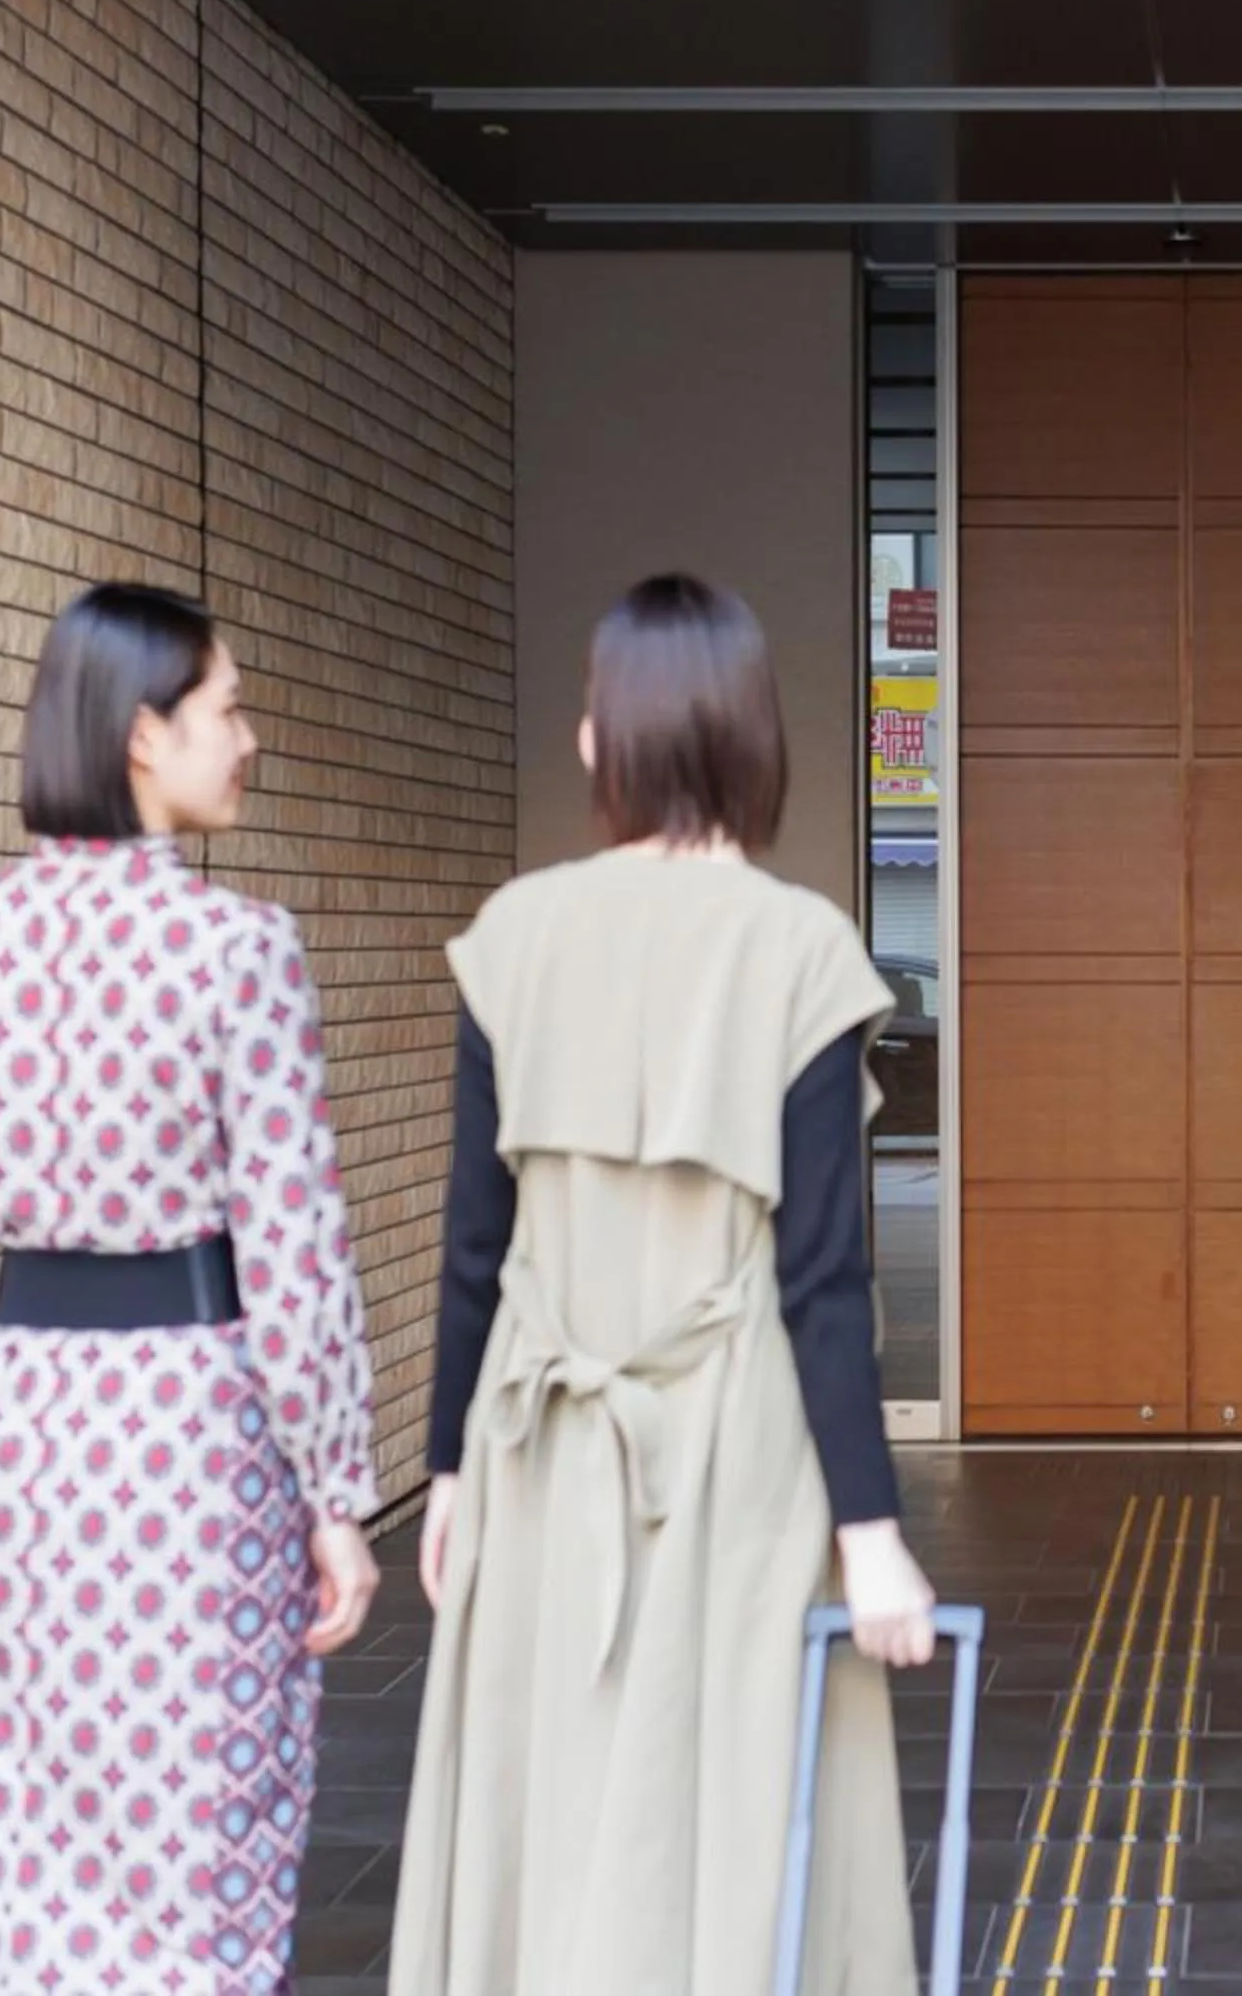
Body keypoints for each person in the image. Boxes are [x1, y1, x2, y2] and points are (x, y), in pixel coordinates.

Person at [0, 583, 382, 1993]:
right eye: (228, 709)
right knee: (203, 1855)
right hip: (196, 1452)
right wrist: (335, 1492)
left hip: (24, 1457)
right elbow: (295, 1251)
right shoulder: (240, 951)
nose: (248, 738)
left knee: (38, 1866)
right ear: (143, 734)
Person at [390, 573, 938, 1996]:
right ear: (755, 739)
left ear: (607, 740)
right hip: (735, 1448)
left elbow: (474, 1245)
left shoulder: (512, 936)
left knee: (547, 1785)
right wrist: (870, 1528)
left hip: (542, 1436)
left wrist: (447, 1470)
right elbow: (824, 1279)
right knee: (735, 1792)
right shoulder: (803, 948)